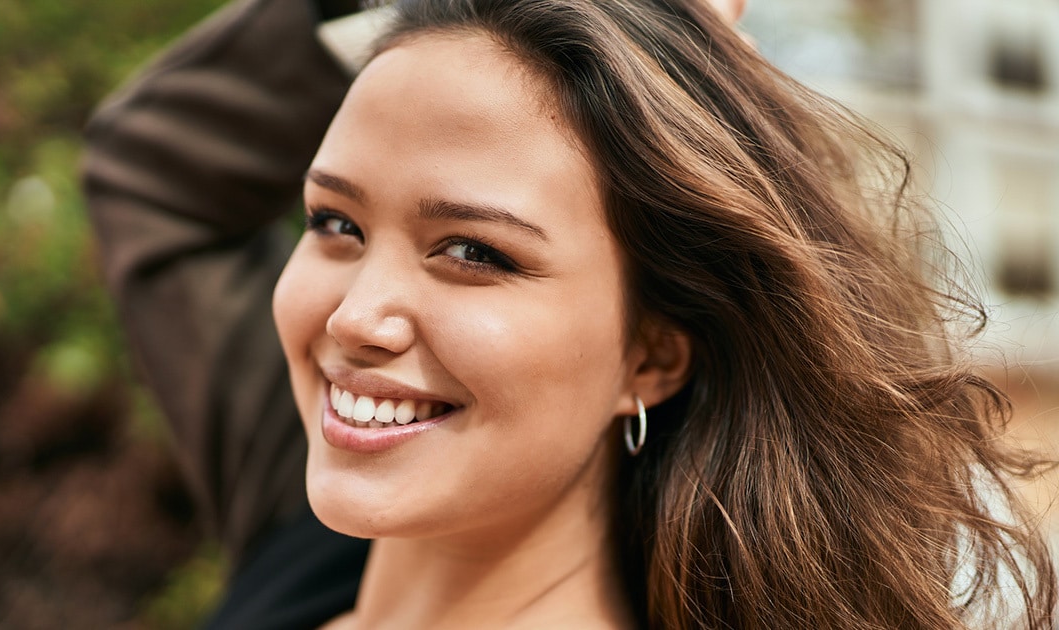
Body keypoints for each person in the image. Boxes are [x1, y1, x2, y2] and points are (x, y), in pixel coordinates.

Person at [83, 0, 1055, 627]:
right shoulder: (328, 531)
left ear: (652, 353)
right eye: (334, 221)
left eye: (474, 252)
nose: (355, 316)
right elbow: (156, 175)